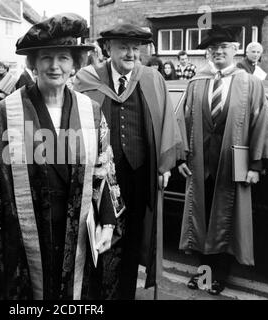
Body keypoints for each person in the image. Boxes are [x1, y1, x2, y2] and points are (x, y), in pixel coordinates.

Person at [0, 13, 123, 300]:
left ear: (75, 64)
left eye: (63, 58)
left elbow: (105, 170)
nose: (55, 66)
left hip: (75, 232)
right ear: (33, 63)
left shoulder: (91, 111)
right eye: (46, 58)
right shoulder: (7, 111)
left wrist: (108, 222)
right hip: (23, 235)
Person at [74, 22, 183, 300]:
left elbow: (166, 122)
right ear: (108, 48)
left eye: (136, 48)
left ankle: (124, 294)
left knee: (132, 237)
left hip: (138, 174)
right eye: (124, 47)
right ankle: (95, 293)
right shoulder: (87, 78)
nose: (131, 54)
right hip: (100, 175)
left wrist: (164, 165)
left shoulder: (151, 78)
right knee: (98, 236)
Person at [177, 25, 268, 295]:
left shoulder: (251, 83)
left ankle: (218, 275)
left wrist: (256, 166)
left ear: (235, 50)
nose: (217, 52)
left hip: (237, 161)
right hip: (200, 164)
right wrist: (182, 156)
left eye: (223, 47)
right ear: (208, 53)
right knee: (200, 219)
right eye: (213, 48)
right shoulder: (196, 82)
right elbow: (184, 122)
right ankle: (204, 274)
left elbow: (260, 123)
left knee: (228, 219)